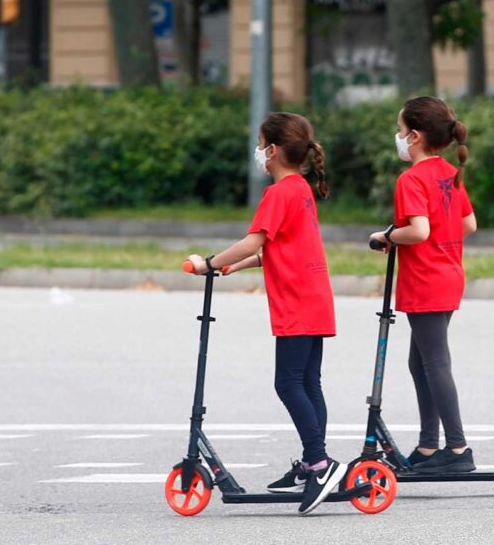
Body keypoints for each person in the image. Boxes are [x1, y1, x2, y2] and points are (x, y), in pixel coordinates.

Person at [185, 112, 345, 515]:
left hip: (296, 299)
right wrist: (235, 266)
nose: (258, 152)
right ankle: (315, 463)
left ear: (272, 150)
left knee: (288, 382)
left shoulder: (279, 194)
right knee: (308, 381)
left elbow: (256, 237)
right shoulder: (301, 188)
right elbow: (279, 247)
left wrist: (208, 262)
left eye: (260, 144)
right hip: (314, 296)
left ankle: (321, 463)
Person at [370, 96, 478, 474]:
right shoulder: (450, 172)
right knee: (421, 362)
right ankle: (430, 445)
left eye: (400, 131)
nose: (398, 137)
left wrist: (387, 236)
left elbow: (418, 230)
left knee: (434, 362)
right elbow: (468, 225)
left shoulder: (411, 179)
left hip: (426, 279)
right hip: (449, 275)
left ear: (414, 136)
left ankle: (459, 448)